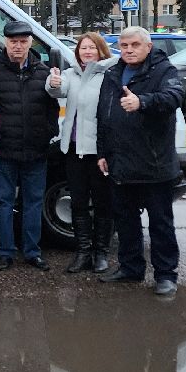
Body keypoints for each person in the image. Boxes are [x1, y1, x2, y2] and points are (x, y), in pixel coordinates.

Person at [96, 26, 185, 296]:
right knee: (125, 221)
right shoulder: (113, 73)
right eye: (124, 46)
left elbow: (175, 97)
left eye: (135, 45)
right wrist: (103, 152)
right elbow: (104, 115)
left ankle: (166, 275)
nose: (129, 50)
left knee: (160, 223)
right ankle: (130, 268)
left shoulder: (163, 71)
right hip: (120, 162)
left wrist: (143, 102)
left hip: (154, 163)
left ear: (148, 46)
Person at [0, 20, 60, 272]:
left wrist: (49, 132)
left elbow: (52, 109)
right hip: (4, 151)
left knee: (33, 203)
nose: (18, 46)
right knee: (3, 203)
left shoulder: (44, 72)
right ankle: (5, 252)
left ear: (30, 43)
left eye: (23, 41)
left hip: (35, 150)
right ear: (5, 42)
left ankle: (32, 252)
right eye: (13, 42)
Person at [47, 32, 117, 275]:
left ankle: (101, 253)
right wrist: (53, 82)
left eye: (91, 48)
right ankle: (83, 252)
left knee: (102, 203)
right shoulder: (71, 74)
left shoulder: (109, 76)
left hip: (98, 151)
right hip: (74, 149)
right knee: (78, 203)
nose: (87, 52)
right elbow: (57, 90)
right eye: (83, 48)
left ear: (101, 51)